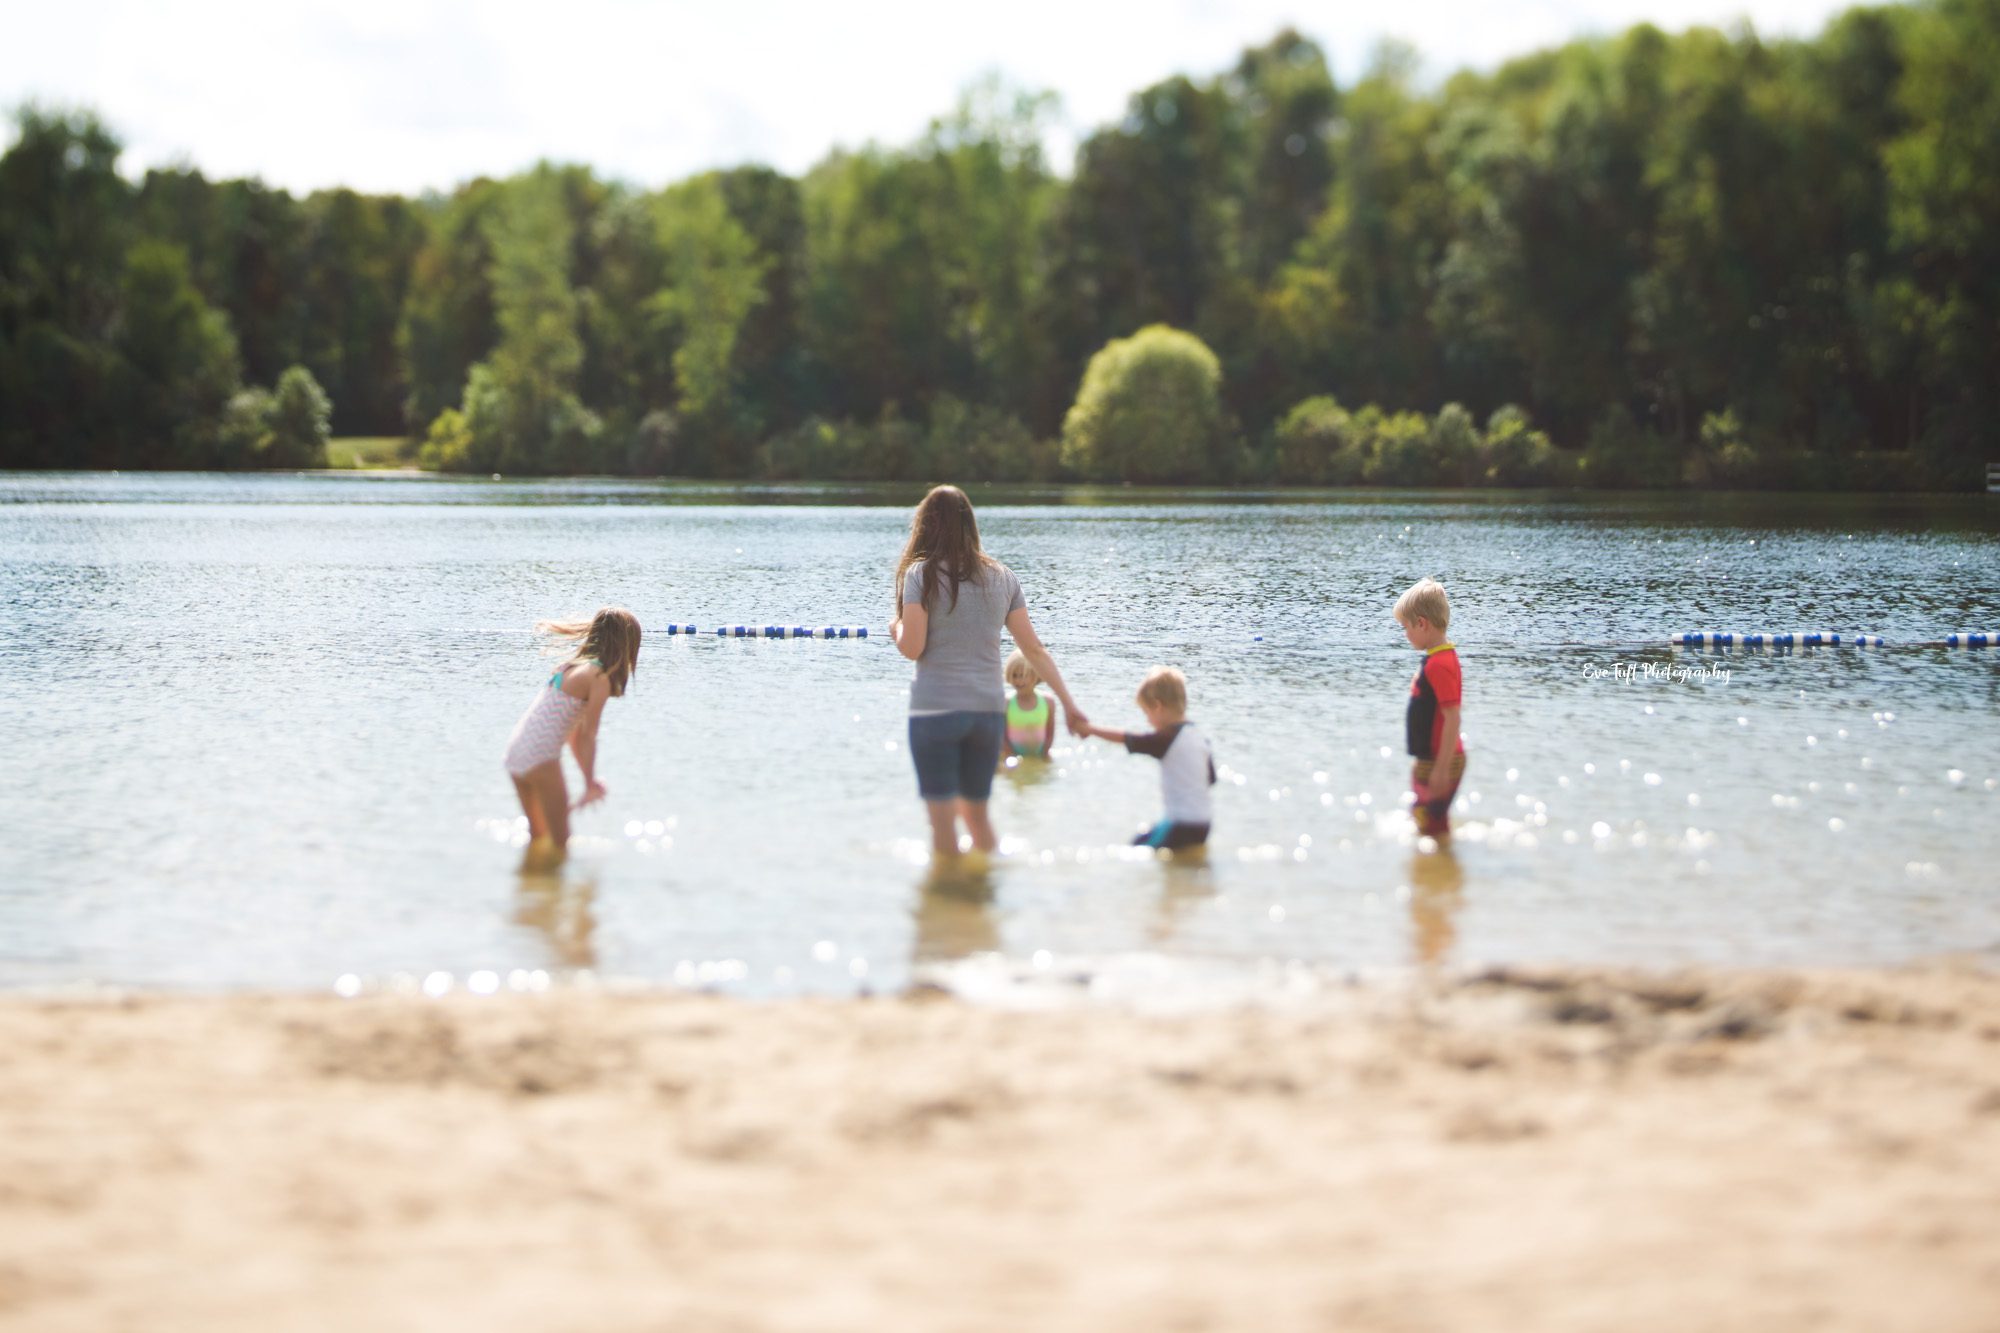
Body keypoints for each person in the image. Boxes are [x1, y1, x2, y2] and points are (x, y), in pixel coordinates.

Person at [891, 485, 1087, 859]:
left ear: (925, 526)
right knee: (978, 817)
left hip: (936, 711)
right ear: (971, 525)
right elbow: (1034, 650)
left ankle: (950, 905)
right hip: (987, 714)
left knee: (943, 822)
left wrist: (896, 627)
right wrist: (1070, 705)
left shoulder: (921, 575)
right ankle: (984, 902)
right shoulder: (1003, 577)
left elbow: (912, 648)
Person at [503, 607, 641, 867]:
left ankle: (530, 898)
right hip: (541, 756)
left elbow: (574, 736)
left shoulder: (569, 668)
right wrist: (589, 782)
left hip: (516, 752)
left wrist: (588, 781)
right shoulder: (599, 677)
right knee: (560, 842)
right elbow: (588, 735)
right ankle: (552, 899)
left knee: (539, 836)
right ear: (626, 646)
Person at [1077, 666, 1216, 851]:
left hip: (1179, 824)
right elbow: (1211, 779)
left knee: (1135, 848)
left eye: (1146, 713)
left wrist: (1090, 729)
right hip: (1204, 824)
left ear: (1158, 706)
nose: (1148, 721)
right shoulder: (1200, 737)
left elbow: (1128, 738)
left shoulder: (1167, 738)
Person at [1395, 577, 1465, 841]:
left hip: (1440, 759)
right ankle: (1437, 872)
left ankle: (1441, 871)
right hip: (1433, 758)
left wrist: (1441, 768)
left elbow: (1453, 719)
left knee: (1428, 823)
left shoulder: (1440, 664)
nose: (1405, 635)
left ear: (1422, 623)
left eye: (1405, 627)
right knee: (1426, 820)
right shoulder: (1438, 658)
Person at [1002, 649, 1057, 760]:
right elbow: (1003, 736)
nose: (1018, 680)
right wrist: (1012, 756)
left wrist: (1044, 754)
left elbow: (1050, 733)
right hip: (1013, 756)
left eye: (1023, 675)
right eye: (1015, 675)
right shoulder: (1006, 702)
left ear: (1035, 675)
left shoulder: (1048, 702)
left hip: (1040, 755)